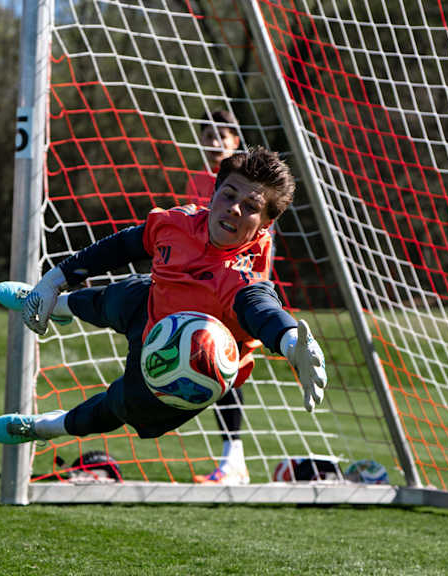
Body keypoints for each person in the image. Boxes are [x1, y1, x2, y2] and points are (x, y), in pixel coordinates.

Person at [0, 146, 327, 459]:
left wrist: (292, 342)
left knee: (118, 405)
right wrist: (54, 279)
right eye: (228, 194)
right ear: (214, 192)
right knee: (121, 296)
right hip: (152, 309)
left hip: (190, 368)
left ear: (266, 224)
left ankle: (43, 427)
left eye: (251, 207)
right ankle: (48, 303)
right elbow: (122, 246)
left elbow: (263, 310)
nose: (234, 208)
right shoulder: (178, 223)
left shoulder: (241, 277)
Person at [183, 109, 250, 484]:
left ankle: (233, 460)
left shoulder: (247, 183)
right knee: (211, 367)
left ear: (234, 141)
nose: (212, 143)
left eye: (219, 136)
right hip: (203, 287)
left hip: (236, 288)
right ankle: (231, 459)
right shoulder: (197, 180)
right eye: (206, 135)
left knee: (229, 370)